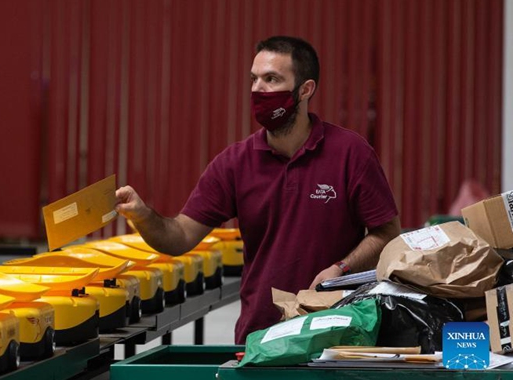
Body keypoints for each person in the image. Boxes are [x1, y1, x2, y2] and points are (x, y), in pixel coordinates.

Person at [115, 36, 401, 344]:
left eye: (272, 79)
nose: (257, 89)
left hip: (337, 335)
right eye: (254, 79)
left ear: (305, 90)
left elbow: (387, 233)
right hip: (260, 339)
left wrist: (341, 268)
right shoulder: (234, 163)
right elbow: (180, 236)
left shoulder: (350, 153)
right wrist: (143, 216)